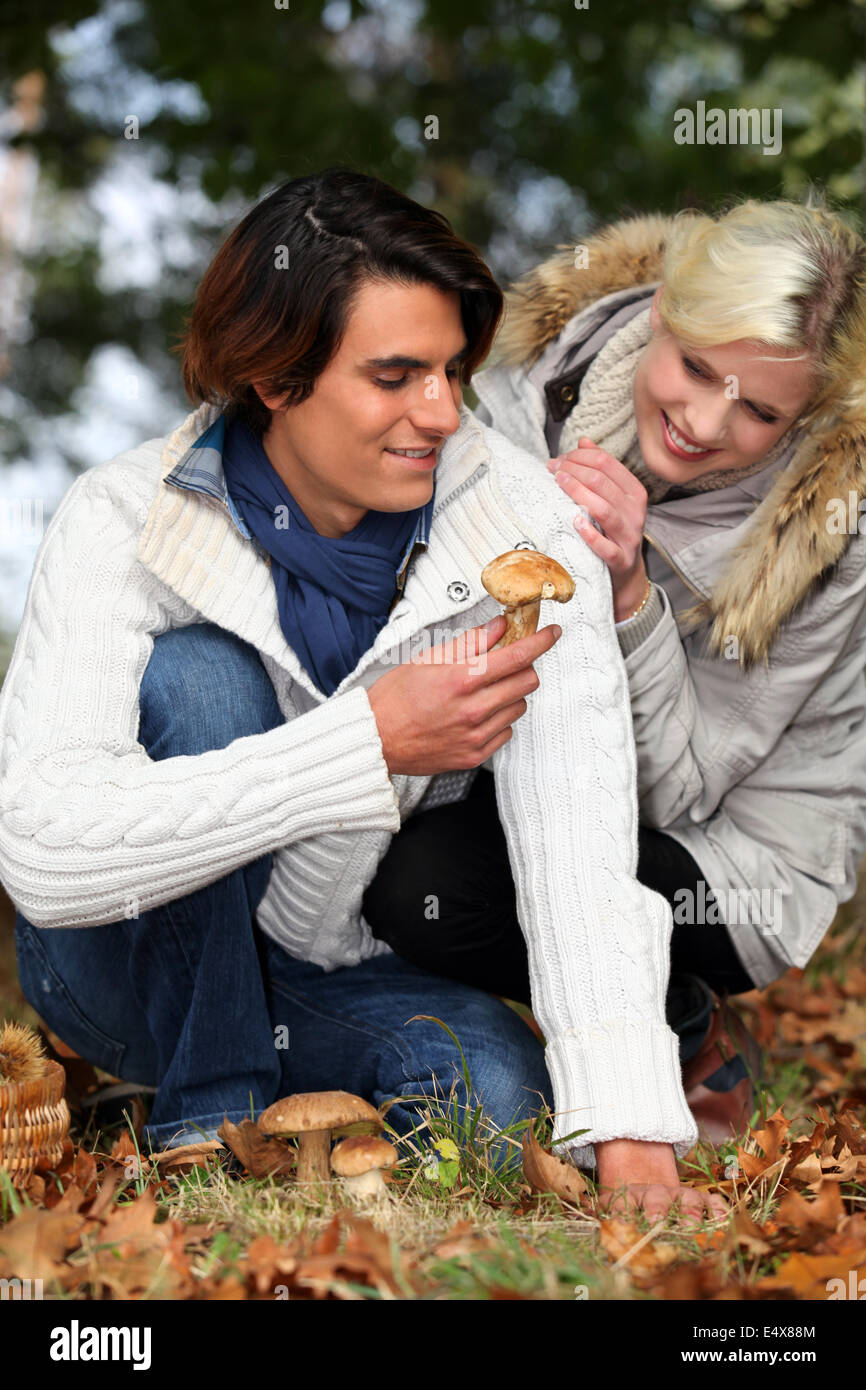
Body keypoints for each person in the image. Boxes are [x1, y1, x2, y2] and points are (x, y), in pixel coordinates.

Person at [0, 168, 722, 1221]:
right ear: (277, 379)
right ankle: (203, 1111)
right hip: (112, 957)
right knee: (201, 680)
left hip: (314, 964)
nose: (439, 414)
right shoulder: (121, 519)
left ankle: (262, 1088)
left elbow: (578, 836)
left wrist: (632, 1145)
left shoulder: (517, 525)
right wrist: (368, 742)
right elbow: (44, 852)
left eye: (449, 372)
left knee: (498, 1095)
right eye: (394, 377)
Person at [364, 197, 866, 1144]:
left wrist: (628, 591)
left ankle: (683, 1022)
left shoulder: (826, 537)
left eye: (760, 410)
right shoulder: (532, 382)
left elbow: (678, 789)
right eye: (696, 367)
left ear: (809, 415)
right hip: (528, 759)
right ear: (662, 315)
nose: (704, 421)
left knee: (426, 886)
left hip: (730, 851)